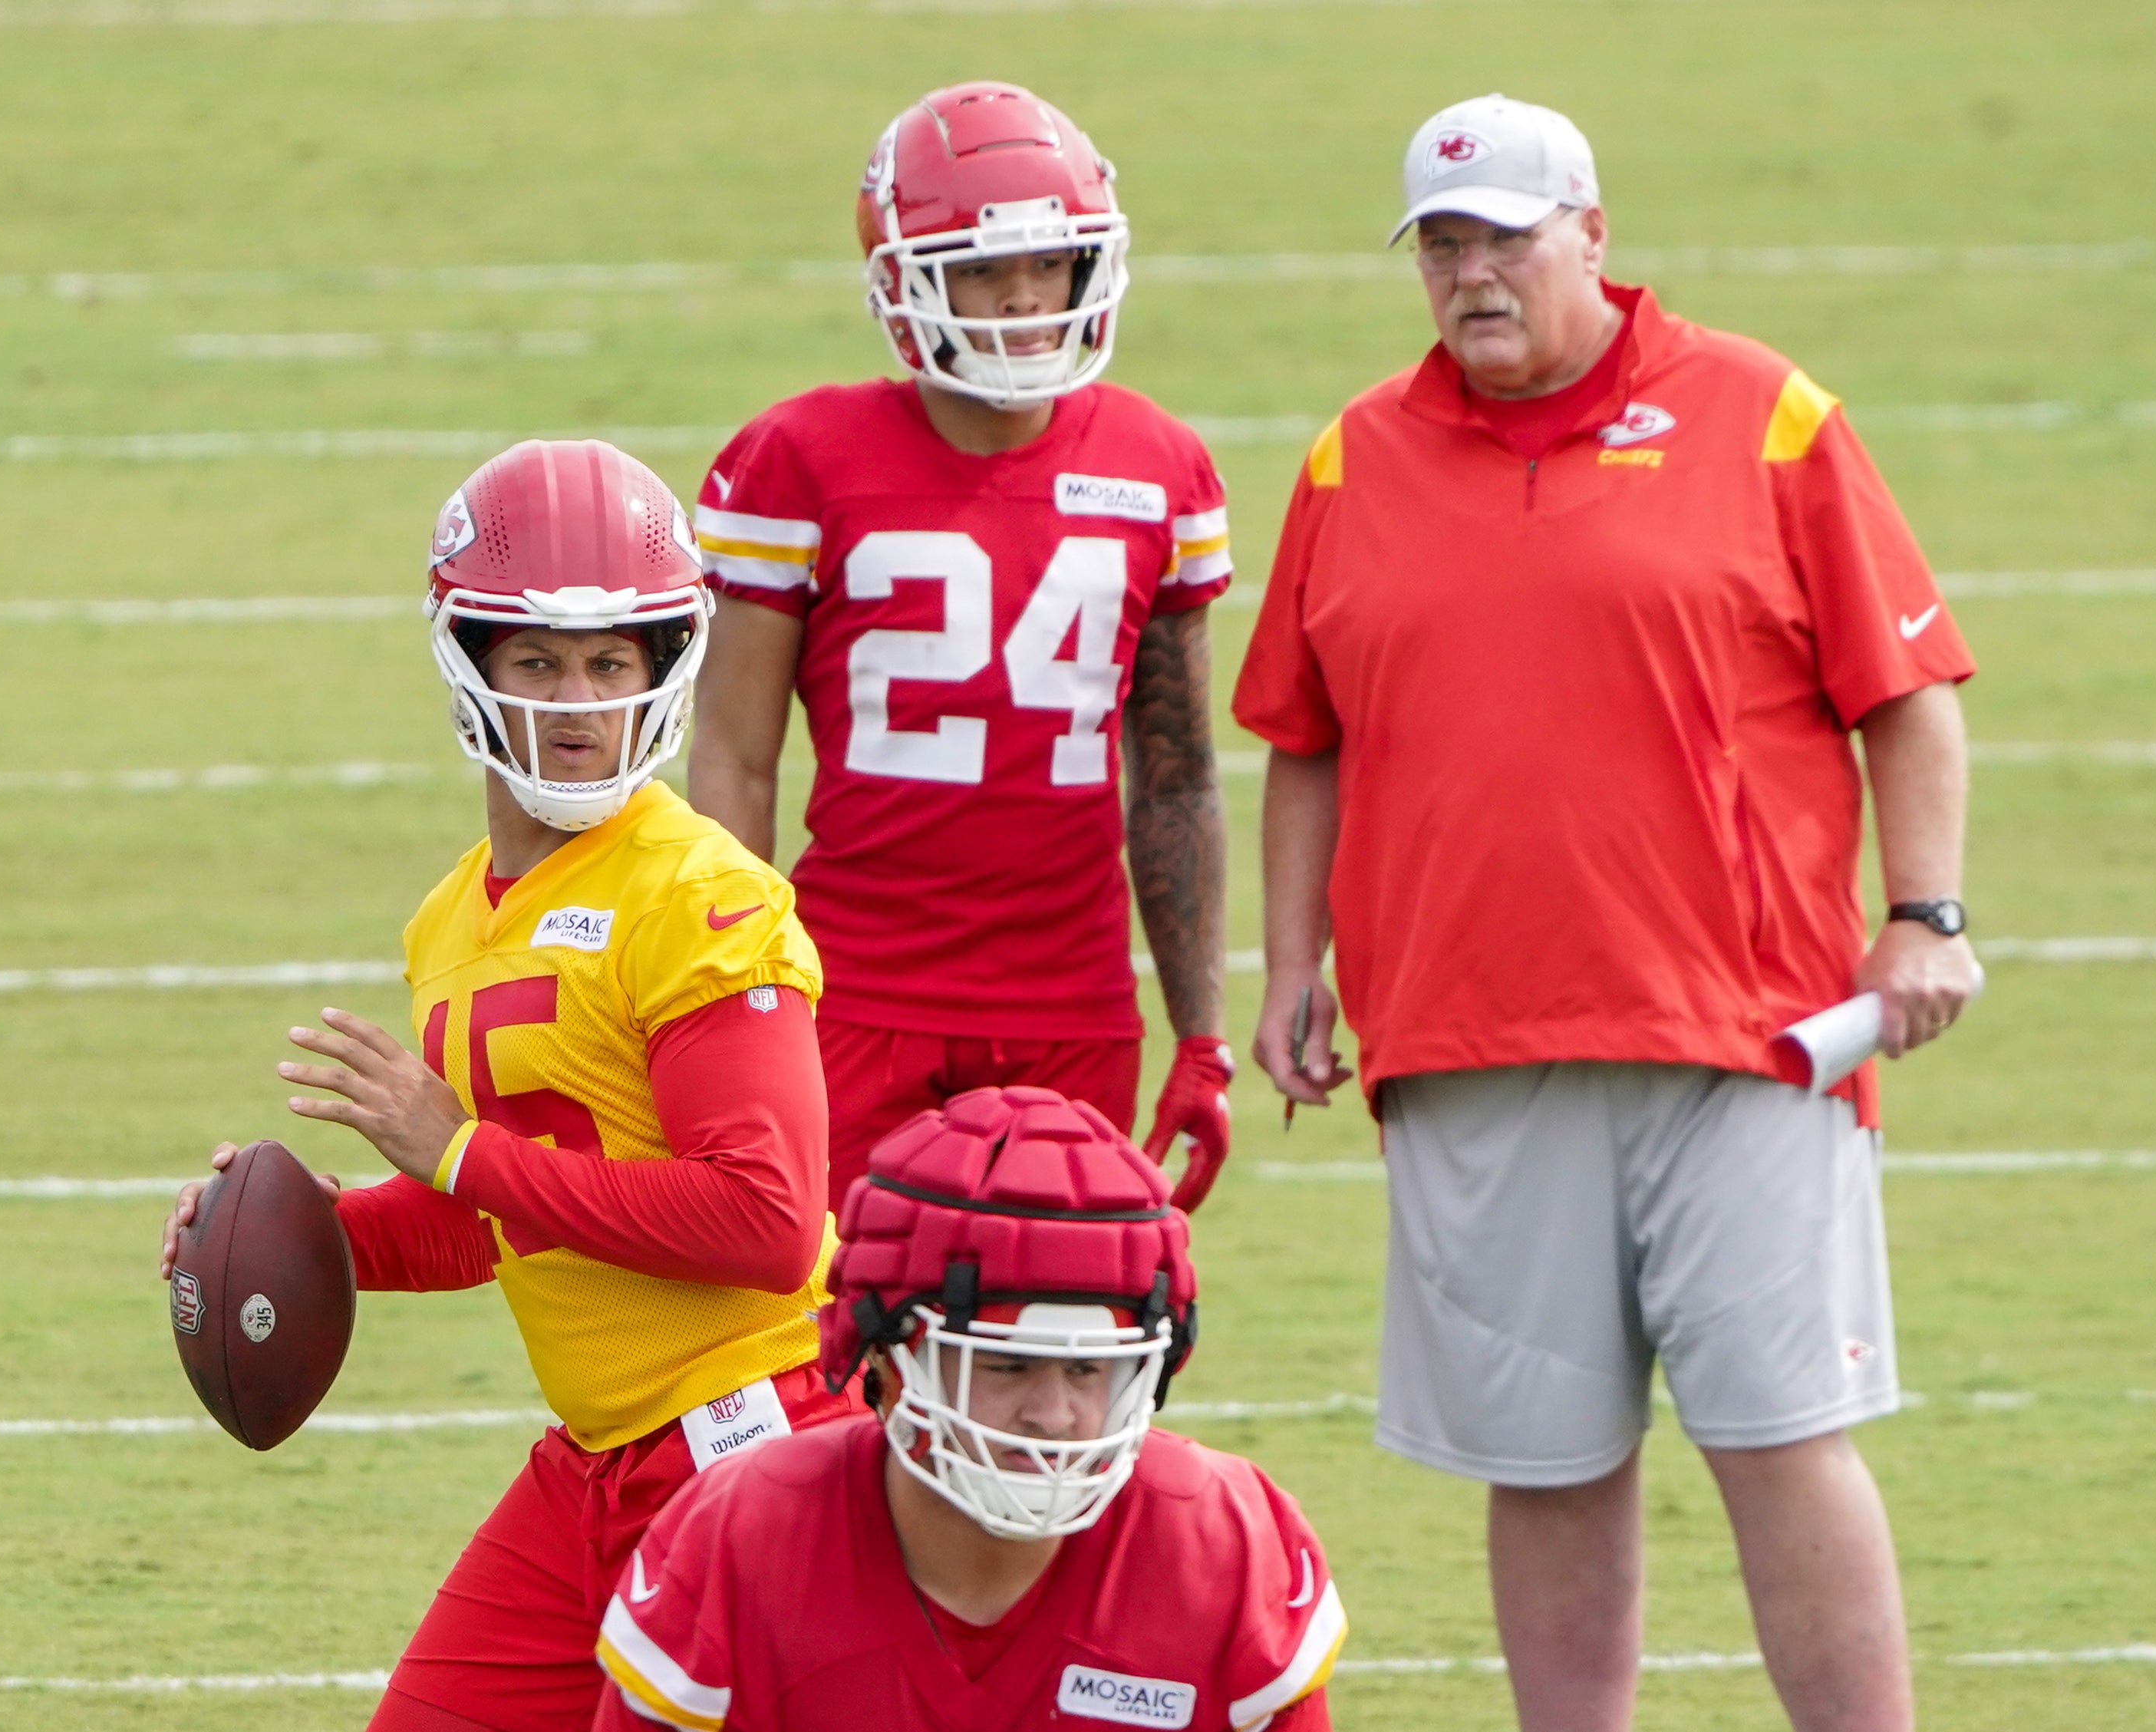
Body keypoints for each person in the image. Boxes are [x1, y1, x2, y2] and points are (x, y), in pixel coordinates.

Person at [1232, 94, 1980, 1732]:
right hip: (1464, 1039)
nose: (1473, 274)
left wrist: (1923, 912)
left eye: (1505, 234)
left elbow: (1910, 692)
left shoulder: (1767, 416)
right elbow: (1304, 742)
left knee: (1781, 1436)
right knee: (1542, 1463)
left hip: (1750, 1040)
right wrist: (1293, 966)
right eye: (1443, 244)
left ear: (1594, 234)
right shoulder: (1353, 455)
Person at [158, 439, 860, 1732]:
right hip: (595, 1462)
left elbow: (764, 1224)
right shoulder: (451, 917)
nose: (576, 701)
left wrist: (457, 1150)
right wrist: (306, 1230)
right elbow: (503, 1214)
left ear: (661, 666)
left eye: (609, 662)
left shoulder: (699, 893)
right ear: (468, 664)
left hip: (752, 1444)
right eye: (536, 661)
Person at [684, 81, 1236, 1215]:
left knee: (1062, 1334)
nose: (1024, 298)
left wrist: (1204, 1036)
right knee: (835, 1336)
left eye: (1050, 263)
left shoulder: (1156, 464)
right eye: (983, 268)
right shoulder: (800, 457)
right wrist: (728, 997)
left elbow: (1176, 776)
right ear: (904, 279)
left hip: (1072, 1005)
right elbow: (734, 759)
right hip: (853, 988)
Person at [590, 1086, 1347, 1732]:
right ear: (886, 1355)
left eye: (1088, 1366)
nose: (1053, 1413)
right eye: (1007, 1364)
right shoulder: (745, 1537)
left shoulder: (1222, 1543)